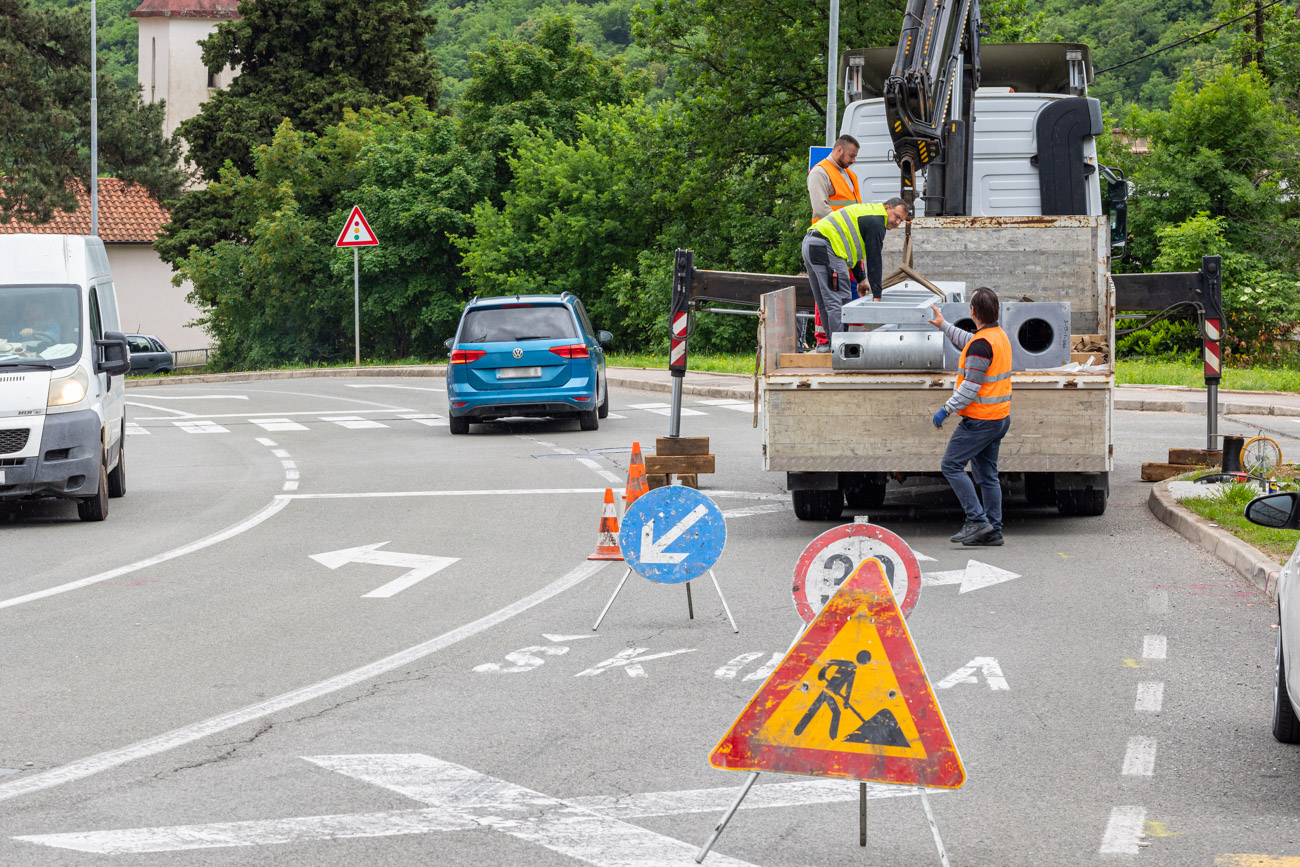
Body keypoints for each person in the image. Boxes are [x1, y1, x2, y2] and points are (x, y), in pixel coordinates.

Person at [927, 287, 1012, 547]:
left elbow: (970, 387)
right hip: (998, 418)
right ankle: (992, 530)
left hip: (980, 421)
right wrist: (944, 325)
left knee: (951, 465)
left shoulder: (982, 345)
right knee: (987, 475)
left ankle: (976, 521)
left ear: (973, 312)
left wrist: (946, 409)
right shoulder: (996, 336)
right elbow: (969, 340)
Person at [802, 198, 908, 351]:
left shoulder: (868, 212)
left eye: (901, 220)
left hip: (812, 243)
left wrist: (861, 279)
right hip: (827, 246)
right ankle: (840, 350)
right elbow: (874, 259)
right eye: (896, 216)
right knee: (840, 300)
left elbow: (855, 251)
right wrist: (877, 295)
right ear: (886, 208)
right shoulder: (878, 222)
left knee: (826, 301)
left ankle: (830, 346)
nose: (897, 222)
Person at [807, 135, 862, 350]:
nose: (853, 160)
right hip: (829, 243)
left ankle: (850, 341)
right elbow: (821, 209)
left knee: (849, 292)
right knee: (830, 292)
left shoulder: (850, 176)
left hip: (847, 243)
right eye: (851, 155)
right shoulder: (820, 172)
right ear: (839, 150)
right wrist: (846, 228)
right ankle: (825, 341)